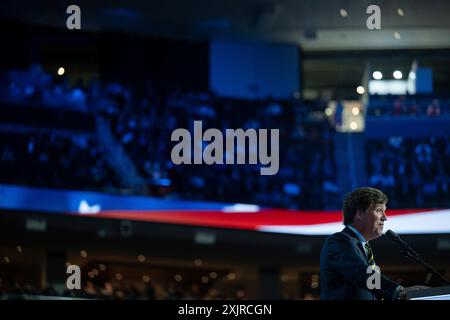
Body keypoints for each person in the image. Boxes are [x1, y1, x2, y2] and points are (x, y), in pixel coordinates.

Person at [320, 187, 426, 300]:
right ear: (359, 214)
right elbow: (361, 273)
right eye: (379, 211)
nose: (385, 218)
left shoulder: (364, 247)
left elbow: (371, 290)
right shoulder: (338, 241)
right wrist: (398, 291)